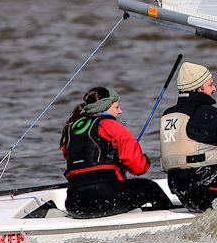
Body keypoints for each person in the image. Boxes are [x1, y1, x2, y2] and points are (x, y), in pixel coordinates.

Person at [60, 86, 172, 218]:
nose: (120, 111)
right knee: (151, 188)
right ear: (105, 107)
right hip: (104, 198)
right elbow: (139, 168)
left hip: (74, 203)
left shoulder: (69, 129)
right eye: (116, 107)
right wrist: (145, 160)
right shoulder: (112, 126)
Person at [160, 62, 217, 212]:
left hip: (183, 194)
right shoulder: (210, 114)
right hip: (209, 190)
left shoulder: (168, 115)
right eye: (211, 84)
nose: (214, 89)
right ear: (199, 88)